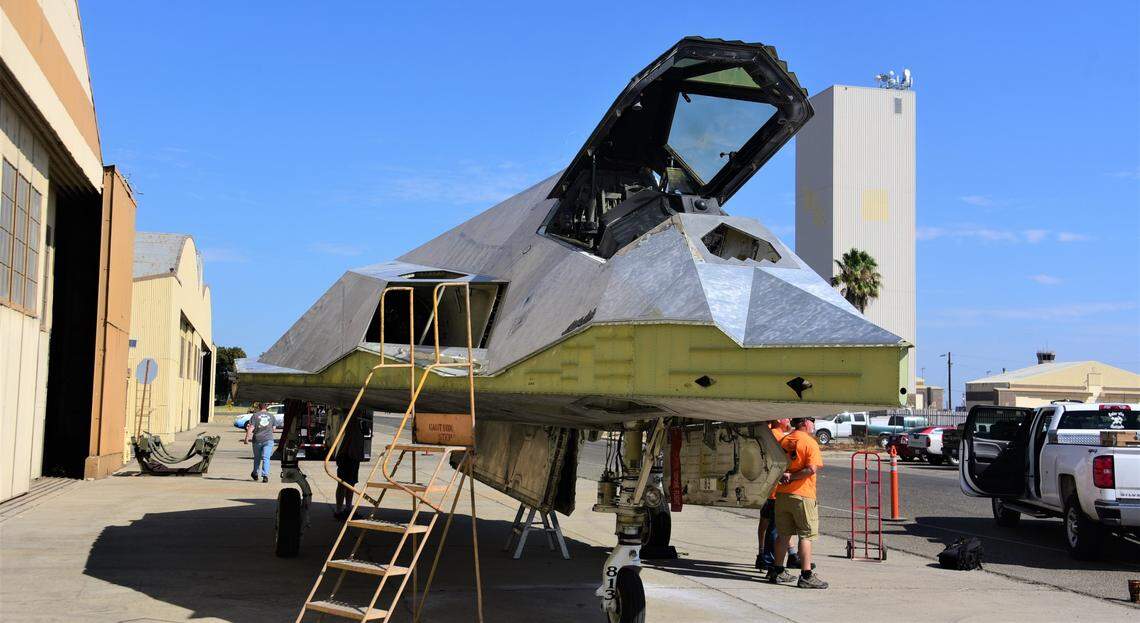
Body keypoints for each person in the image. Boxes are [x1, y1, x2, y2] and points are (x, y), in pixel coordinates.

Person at [766, 417, 828, 589]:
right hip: (802, 495)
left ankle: (777, 570)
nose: (814, 425)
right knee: (806, 535)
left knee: (784, 534)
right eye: (812, 421)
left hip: (782, 494)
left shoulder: (785, 440)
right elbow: (811, 469)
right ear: (805, 423)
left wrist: (786, 475)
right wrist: (792, 476)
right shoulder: (809, 442)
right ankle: (806, 574)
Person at [756, 418, 791, 571]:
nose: (789, 419)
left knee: (765, 523)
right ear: (778, 419)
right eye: (787, 417)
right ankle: (769, 560)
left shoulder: (766, 434)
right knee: (775, 527)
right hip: (776, 490)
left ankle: (762, 555)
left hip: (765, 488)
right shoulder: (780, 438)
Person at [333, 409, 367, 520]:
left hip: (353, 454)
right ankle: (339, 510)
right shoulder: (349, 417)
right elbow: (347, 436)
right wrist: (342, 453)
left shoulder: (358, 419)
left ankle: (348, 508)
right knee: (343, 483)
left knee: (351, 483)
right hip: (347, 454)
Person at [243, 406, 275, 483]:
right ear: (266, 407)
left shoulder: (255, 415)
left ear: (259, 407)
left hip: (257, 439)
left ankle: (255, 473)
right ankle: (265, 475)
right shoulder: (271, 416)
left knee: (257, 458)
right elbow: (274, 428)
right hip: (268, 439)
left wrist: (247, 438)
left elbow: (251, 427)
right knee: (266, 458)